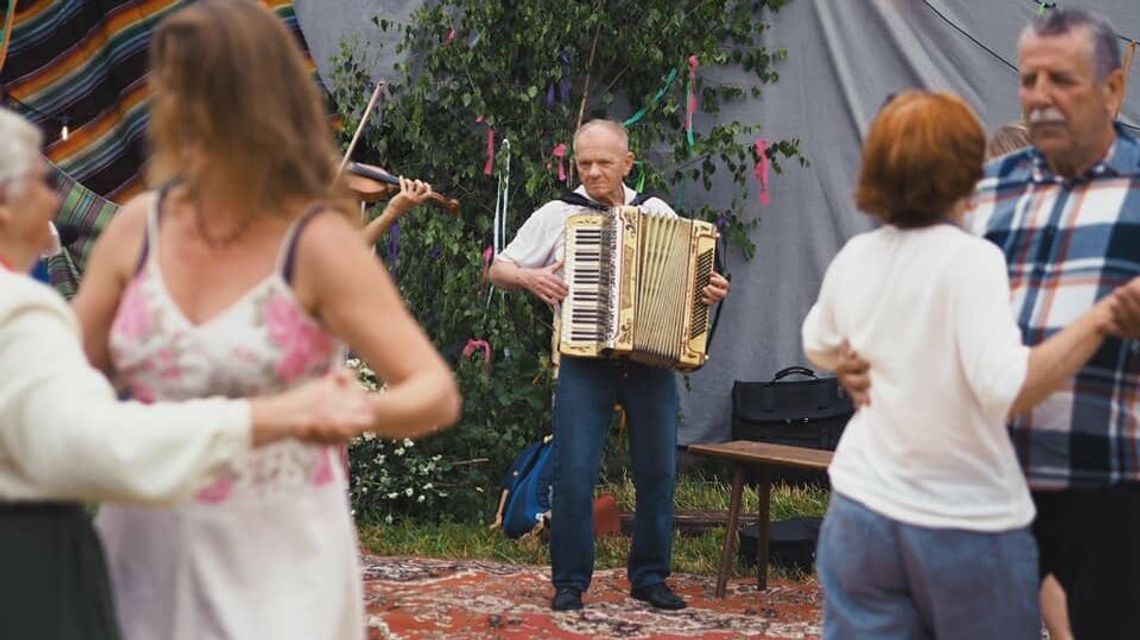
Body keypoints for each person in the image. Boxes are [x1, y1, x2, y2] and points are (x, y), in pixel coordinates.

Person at [70, 2, 462, 638]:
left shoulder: (317, 242)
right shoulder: (138, 228)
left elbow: (433, 392)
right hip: (143, 543)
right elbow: (66, 375)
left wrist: (355, 410)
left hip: (275, 557)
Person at [0, 107, 374, 639]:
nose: (53, 200)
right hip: (24, 555)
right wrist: (265, 417)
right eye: (41, 184)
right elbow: (93, 444)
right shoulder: (19, 309)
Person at [834, 9, 1140, 638]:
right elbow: (905, 293)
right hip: (975, 484)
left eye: (1063, 80)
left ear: (1113, 89)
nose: (1041, 96)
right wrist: (853, 356)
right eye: (1029, 80)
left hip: (1104, 483)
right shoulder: (978, 191)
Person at [487, 119, 730, 611]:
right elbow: (498, 268)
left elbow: (694, 280)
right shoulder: (559, 214)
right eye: (584, 163)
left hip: (650, 363)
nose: (594, 172)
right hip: (585, 362)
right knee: (574, 474)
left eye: (604, 162)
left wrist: (710, 289)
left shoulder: (655, 210)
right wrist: (532, 278)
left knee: (658, 472)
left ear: (627, 163)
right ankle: (570, 582)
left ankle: (650, 578)